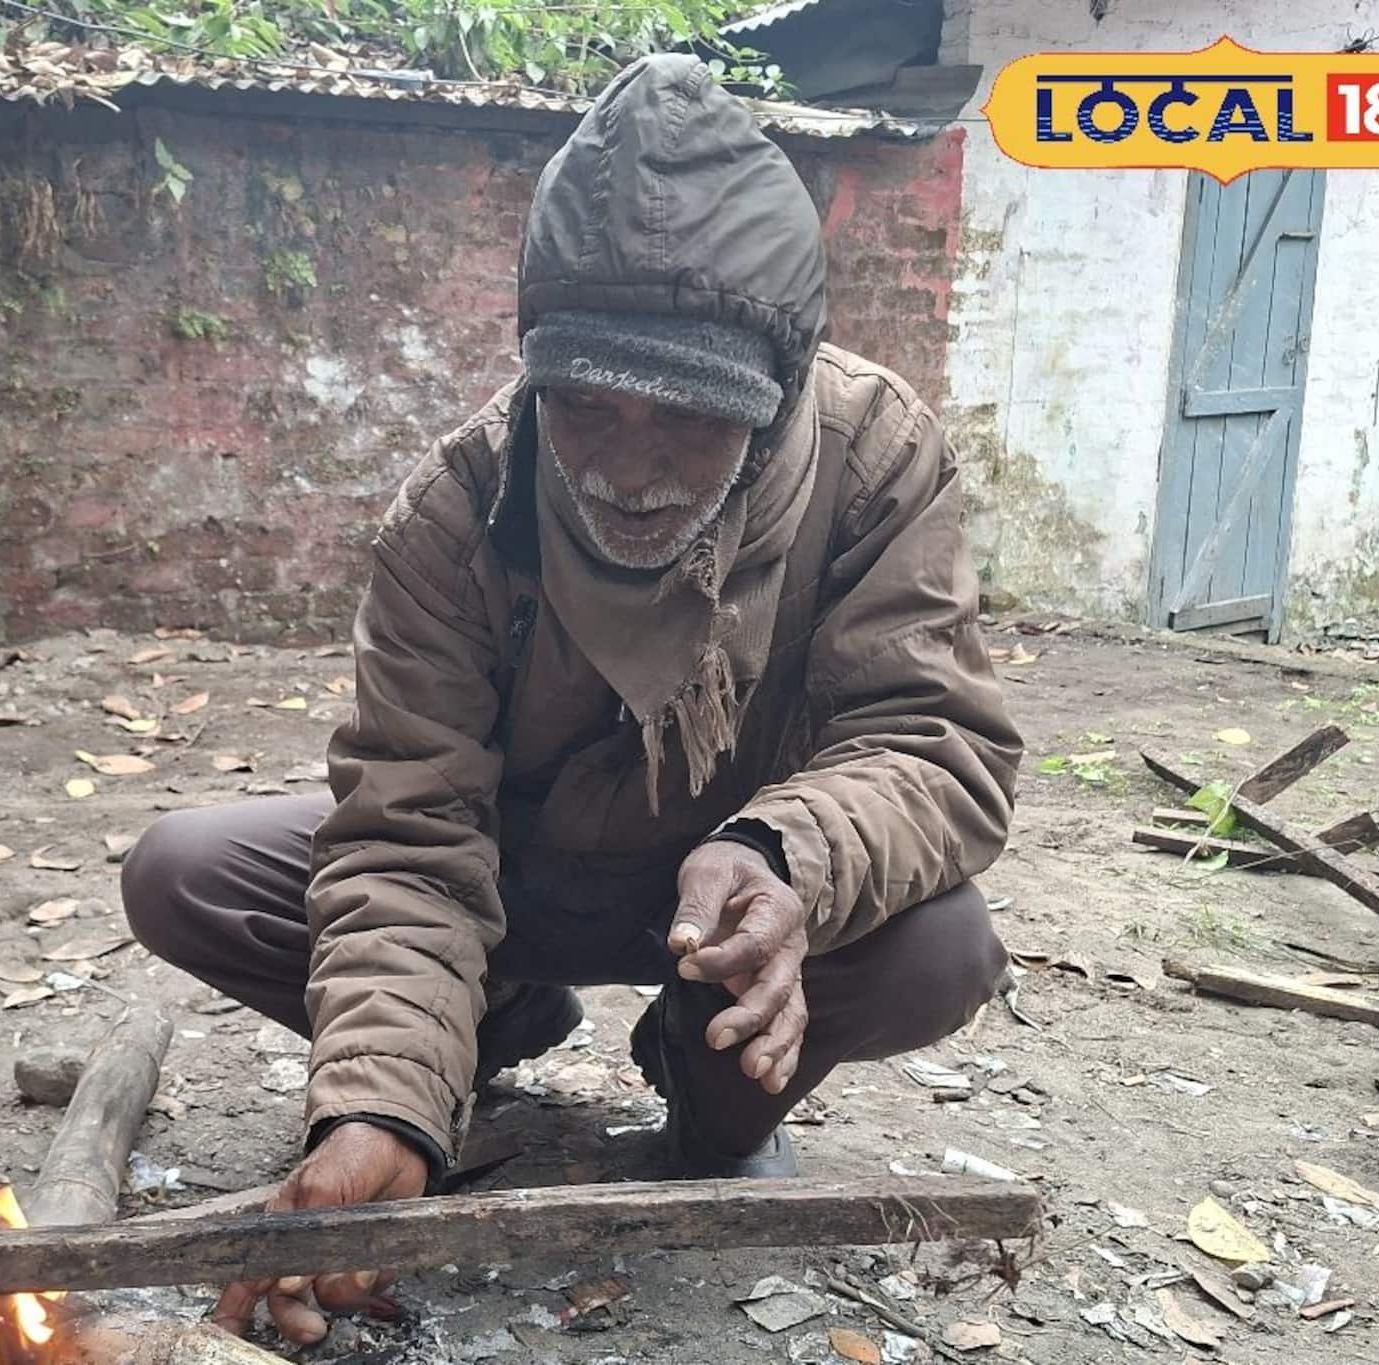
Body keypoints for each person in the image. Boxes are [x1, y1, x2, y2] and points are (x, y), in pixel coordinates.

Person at [122, 52, 1022, 1346]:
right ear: (538, 371)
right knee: (187, 868)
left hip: (732, 915)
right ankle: (488, 1023)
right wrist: (376, 1107)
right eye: (585, 410)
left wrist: (784, 853)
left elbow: (934, 740)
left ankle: (706, 1079)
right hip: (516, 880)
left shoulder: (874, 458)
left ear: (772, 400)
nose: (628, 468)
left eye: (688, 422)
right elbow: (408, 835)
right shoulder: (461, 503)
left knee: (943, 944)